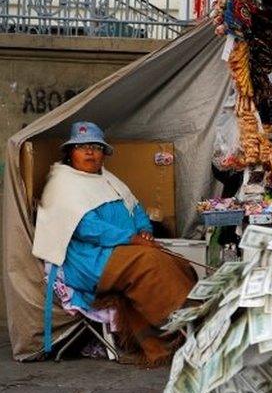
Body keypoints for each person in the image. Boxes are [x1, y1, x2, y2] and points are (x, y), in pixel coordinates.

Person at [32, 121, 196, 366]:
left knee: (175, 261)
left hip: (124, 250)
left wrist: (144, 232)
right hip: (89, 260)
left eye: (96, 147)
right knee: (150, 264)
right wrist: (132, 239)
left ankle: (178, 334)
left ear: (103, 154)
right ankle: (187, 325)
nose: (90, 152)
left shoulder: (109, 180)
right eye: (82, 147)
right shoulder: (62, 184)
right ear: (70, 153)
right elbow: (86, 228)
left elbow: (137, 209)